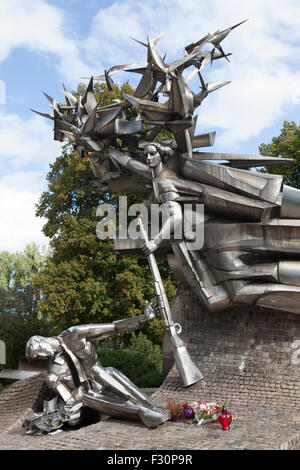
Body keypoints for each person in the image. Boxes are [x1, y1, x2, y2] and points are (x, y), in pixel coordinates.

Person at [25, 299, 171, 431]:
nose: (42, 358)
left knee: (106, 376)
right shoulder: (53, 367)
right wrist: (69, 405)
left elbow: (114, 327)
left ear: (42, 342)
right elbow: (65, 391)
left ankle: (153, 408)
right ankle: (143, 413)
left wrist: (143, 318)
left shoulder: (74, 334)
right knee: (89, 397)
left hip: (98, 372)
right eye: (38, 357)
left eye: (39, 354)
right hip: (88, 392)